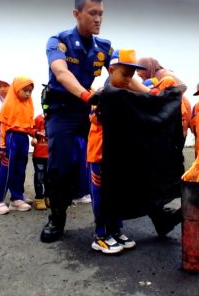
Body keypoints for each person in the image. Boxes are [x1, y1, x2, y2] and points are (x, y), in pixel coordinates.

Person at [40, 0, 148, 243]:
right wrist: (86, 95)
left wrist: (151, 95)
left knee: (112, 163)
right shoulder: (58, 40)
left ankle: (117, 220)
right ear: (76, 14)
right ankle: (56, 217)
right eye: (92, 13)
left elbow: (124, 74)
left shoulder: (105, 46)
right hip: (63, 110)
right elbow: (61, 72)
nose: (98, 19)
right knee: (61, 166)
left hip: (92, 110)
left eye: (101, 14)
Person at [87, 49, 143, 254]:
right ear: (111, 70)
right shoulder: (103, 94)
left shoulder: (125, 95)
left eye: (132, 75)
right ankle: (100, 235)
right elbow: (96, 118)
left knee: (117, 193)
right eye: (125, 74)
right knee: (101, 195)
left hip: (117, 155)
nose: (129, 79)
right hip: (100, 154)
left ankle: (116, 229)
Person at [0, 76, 39, 215]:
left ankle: (16, 198)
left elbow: (27, 125)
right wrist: (1, 146)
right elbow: (1, 126)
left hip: (22, 140)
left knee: (20, 169)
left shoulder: (28, 104)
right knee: (6, 170)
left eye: (30, 91)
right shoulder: (9, 105)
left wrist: (35, 133)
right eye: (25, 90)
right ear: (16, 89)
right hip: (11, 139)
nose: (28, 94)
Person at [31, 113, 49, 210]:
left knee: (50, 177)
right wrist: (34, 136)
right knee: (39, 176)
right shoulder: (38, 118)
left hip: (52, 154)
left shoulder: (57, 118)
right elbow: (31, 129)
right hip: (40, 155)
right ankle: (39, 198)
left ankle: (48, 196)